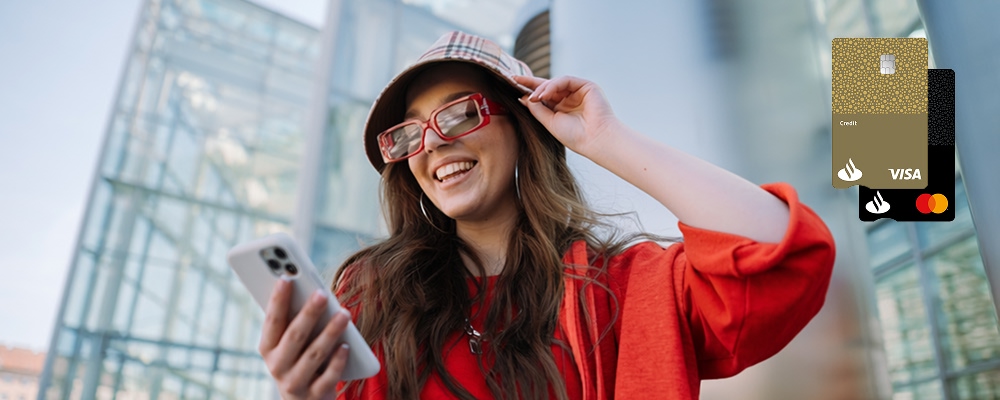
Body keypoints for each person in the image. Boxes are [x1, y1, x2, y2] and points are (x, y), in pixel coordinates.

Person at [257, 31, 836, 400]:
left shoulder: (622, 288)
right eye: (409, 133)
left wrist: (608, 140)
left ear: (525, 123)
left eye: (459, 115)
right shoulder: (374, 297)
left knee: (894, 93)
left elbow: (782, 255)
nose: (431, 145)